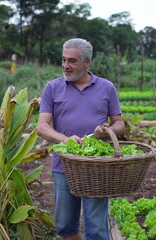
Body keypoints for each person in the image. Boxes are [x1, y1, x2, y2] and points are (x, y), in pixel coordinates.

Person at [37, 38, 125, 240]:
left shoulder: (106, 87)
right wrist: (65, 140)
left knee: (97, 227)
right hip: (64, 165)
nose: (66, 65)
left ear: (87, 63)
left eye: (72, 61)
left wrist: (107, 130)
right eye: (63, 60)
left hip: (96, 166)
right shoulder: (52, 87)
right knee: (65, 226)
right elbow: (41, 127)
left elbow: (119, 123)